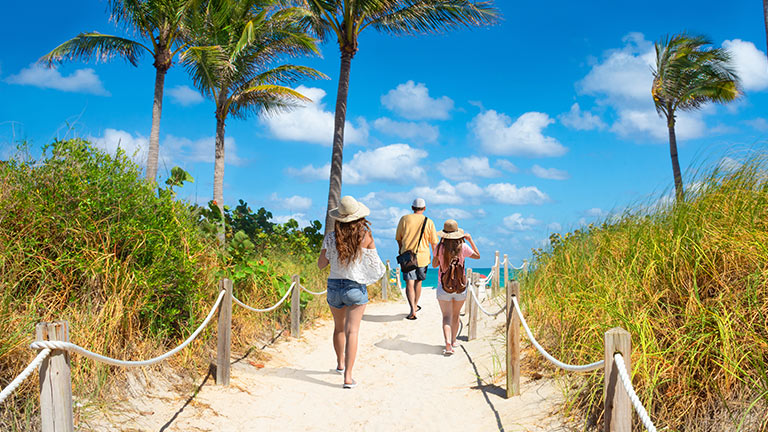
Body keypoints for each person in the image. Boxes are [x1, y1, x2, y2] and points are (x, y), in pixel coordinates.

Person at [317, 196, 385, 389]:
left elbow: (321, 264)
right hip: (354, 287)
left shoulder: (331, 237)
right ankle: (348, 377)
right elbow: (376, 265)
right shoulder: (365, 236)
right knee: (352, 331)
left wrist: (331, 255)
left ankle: (339, 364)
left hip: (334, 287)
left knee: (338, 328)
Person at [432, 219, 480, 355]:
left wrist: (437, 254)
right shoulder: (463, 247)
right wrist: (470, 240)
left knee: (446, 316)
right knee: (456, 315)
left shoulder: (440, 247)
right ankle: (453, 340)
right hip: (460, 287)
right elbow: (477, 256)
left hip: (443, 287)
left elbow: (435, 265)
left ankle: (447, 343)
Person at [395, 198, 439, 320]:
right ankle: (415, 305)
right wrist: (436, 256)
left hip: (407, 256)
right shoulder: (429, 221)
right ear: (424, 208)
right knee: (418, 282)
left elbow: (398, 238)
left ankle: (412, 310)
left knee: (409, 283)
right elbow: (434, 242)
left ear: (412, 207)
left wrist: (401, 250)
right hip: (423, 256)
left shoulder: (404, 219)